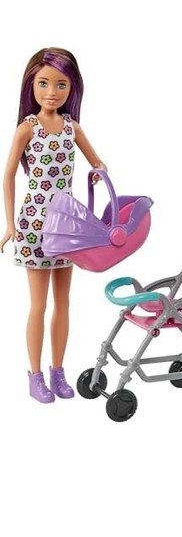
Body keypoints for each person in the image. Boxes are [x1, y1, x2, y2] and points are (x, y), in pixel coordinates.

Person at [0, 47, 107, 403]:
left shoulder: (71, 127)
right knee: (38, 304)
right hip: (34, 223)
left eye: (61, 84)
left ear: (72, 88)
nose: (52, 92)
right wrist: (10, 224)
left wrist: (98, 173)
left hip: (67, 225)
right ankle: (35, 376)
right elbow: (8, 175)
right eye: (43, 83)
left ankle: (58, 372)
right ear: (31, 85)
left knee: (63, 302)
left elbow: (99, 163)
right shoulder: (27, 129)